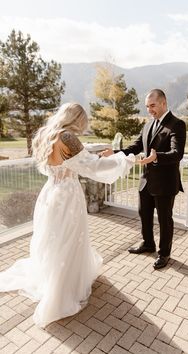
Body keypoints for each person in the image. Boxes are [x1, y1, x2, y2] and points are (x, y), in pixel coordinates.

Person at [0, 102, 137, 328]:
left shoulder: (46, 134)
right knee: (69, 240)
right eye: (83, 122)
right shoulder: (68, 138)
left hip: (49, 194)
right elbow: (93, 167)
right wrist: (127, 159)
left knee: (52, 240)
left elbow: (63, 163)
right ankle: (62, 291)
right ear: (77, 119)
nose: (83, 127)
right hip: (67, 197)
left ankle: (52, 279)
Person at [101, 89, 186, 269]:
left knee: (164, 219)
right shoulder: (148, 125)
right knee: (143, 214)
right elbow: (136, 146)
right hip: (146, 180)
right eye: (147, 107)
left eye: (153, 105)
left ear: (163, 102)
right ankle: (148, 244)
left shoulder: (177, 124)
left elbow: (177, 154)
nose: (150, 110)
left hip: (165, 183)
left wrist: (157, 157)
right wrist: (115, 153)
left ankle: (164, 253)